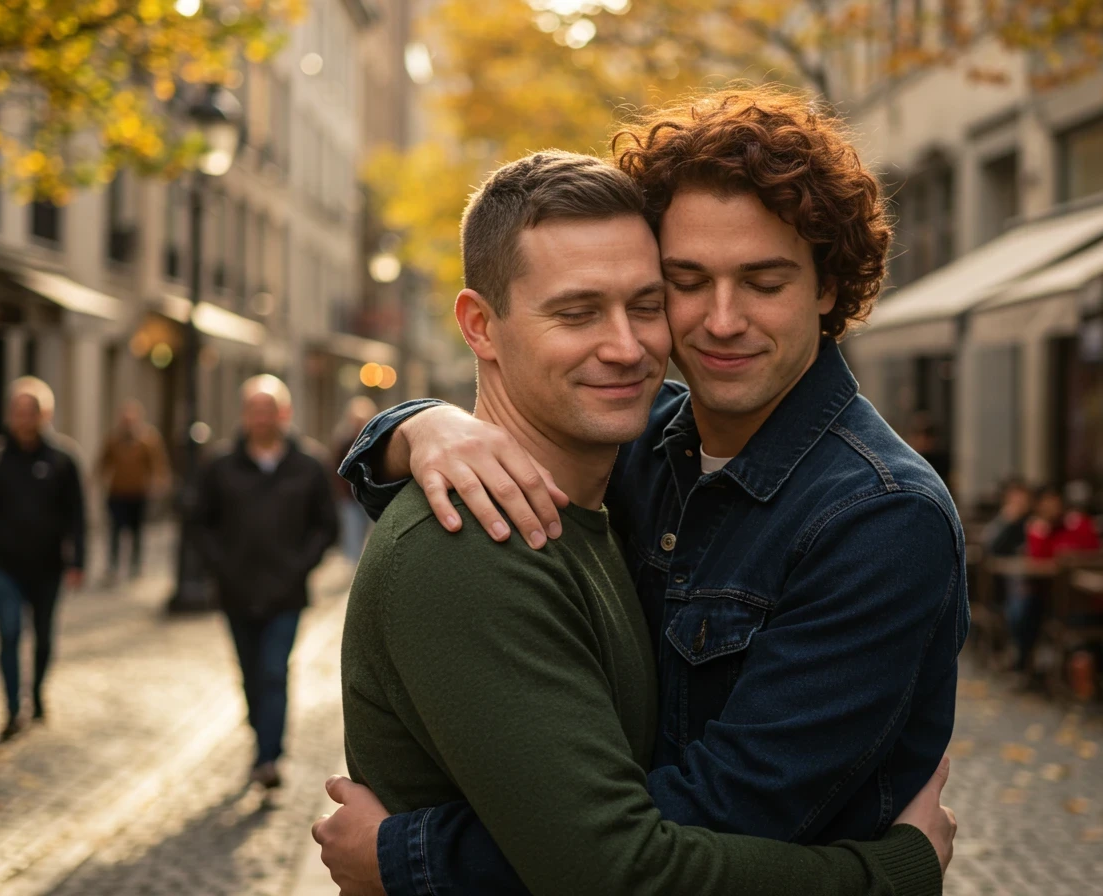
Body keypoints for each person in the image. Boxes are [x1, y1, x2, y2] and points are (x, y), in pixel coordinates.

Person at [323, 87, 967, 893]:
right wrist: (414, 428)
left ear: (828, 287)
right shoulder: (642, 441)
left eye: (764, 282)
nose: (721, 321)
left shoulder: (878, 516)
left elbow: (678, 834)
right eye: (687, 283)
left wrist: (410, 858)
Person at [192, 375, 337, 789]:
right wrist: (220, 565)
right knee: (250, 674)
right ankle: (262, 734)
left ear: (283, 414)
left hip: (285, 593)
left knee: (274, 671)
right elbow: (199, 523)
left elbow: (325, 526)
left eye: (268, 410)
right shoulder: (221, 467)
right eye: (254, 410)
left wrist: (299, 565)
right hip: (236, 591)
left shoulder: (308, 465)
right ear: (244, 416)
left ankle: (268, 757)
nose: (261, 418)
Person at [0, 378, 85, 741]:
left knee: (43, 638)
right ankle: (13, 708)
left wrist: (79, 562)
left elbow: (77, 514)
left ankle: (37, 693)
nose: (24, 420)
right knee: (9, 633)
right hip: (3, 565)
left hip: (47, 567)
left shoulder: (63, 459)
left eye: (32, 412)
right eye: (18, 412)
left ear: (45, 415)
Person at [1006, 485, 1101, 672]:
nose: (1051, 508)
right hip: (1047, 594)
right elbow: (1037, 562)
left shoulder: (1079, 524)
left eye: (1055, 503)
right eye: (1046, 504)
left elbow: (1093, 551)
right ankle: (1025, 662)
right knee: (1022, 609)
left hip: (1081, 595)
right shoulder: (1037, 529)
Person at [96, 399, 170, 582]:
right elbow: (103, 463)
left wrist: (159, 483)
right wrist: (98, 481)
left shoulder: (148, 440)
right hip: (117, 492)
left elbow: (158, 464)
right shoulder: (113, 440)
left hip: (138, 493)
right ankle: (113, 566)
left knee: (137, 532)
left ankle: (135, 565)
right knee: (115, 531)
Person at [331, 396, 378, 565]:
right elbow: (335, 468)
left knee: (373, 536)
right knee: (352, 535)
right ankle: (354, 567)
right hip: (350, 498)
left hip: (371, 496)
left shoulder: (377, 441)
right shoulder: (344, 442)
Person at [982, 478, 1032, 559]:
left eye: (1022, 498)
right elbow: (989, 547)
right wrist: (1006, 521)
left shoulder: (1033, 522)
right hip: (1000, 567)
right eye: (1015, 498)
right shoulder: (1001, 521)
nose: (1019, 502)